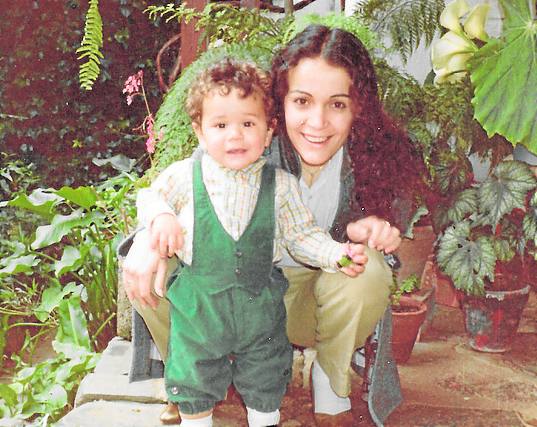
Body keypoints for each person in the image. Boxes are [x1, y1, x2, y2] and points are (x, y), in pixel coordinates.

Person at [122, 25, 409, 426]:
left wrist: (373, 230)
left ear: (358, 106)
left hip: (301, 305)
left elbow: (382, 241)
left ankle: (329, 384)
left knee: (369, 270)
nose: (318, 121)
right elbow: (178, 195)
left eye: (337, 105)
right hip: (218, 302)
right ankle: (190, 381)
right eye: (303, 101)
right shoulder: (246, 141)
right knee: (153, 268)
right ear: (279, 104)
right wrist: (148, 239)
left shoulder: (372, 160)